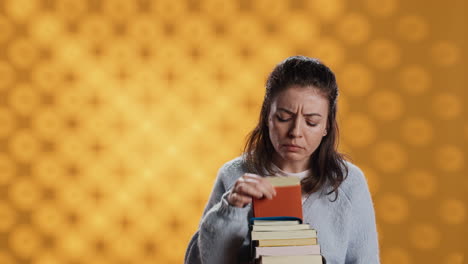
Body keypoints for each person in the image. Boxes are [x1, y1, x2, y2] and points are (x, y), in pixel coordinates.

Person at [184, 56, 379, 264]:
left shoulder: (349, 182)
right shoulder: (234, 175)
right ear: (268, 116)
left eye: (311, 122)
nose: (295, 132)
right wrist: (231, 208)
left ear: (327, 126)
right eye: (283, 118)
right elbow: (201, 260)